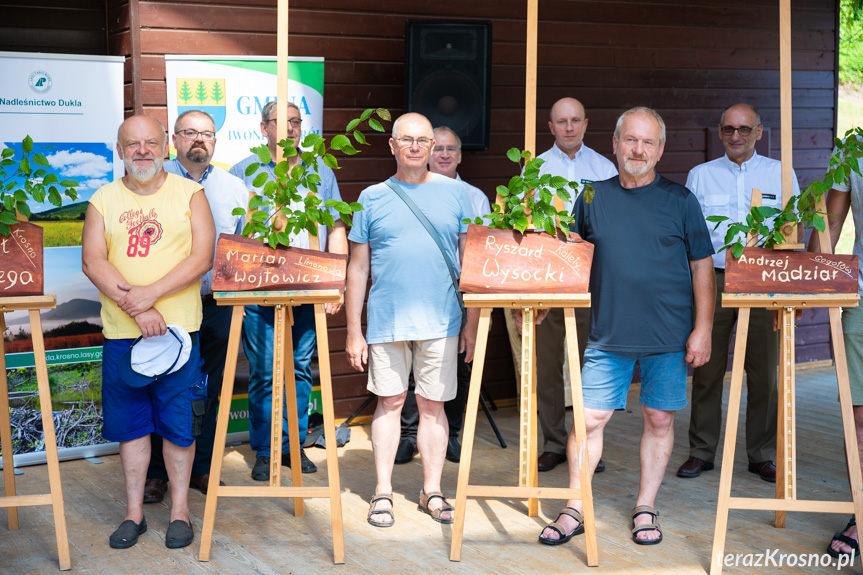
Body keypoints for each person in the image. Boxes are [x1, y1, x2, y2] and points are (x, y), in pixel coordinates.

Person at [537, 107, 715, 547]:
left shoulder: (681, 200)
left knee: (658, 417)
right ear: (615, 145)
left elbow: (702, 268)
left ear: (660, 150)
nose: (637, 149)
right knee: (589, 419)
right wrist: (544, 293)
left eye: (647, 142)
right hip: (609, 333)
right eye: (630, 140)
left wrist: (703, 328)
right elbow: (569, 255)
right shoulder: (593, 196)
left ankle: (645, 506)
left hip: (668, 335)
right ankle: (575, 507)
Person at [82, 115, 215, 549]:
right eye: (132, 144)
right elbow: (93, 262)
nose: (142, 150)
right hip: (123, 335)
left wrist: (149, 296)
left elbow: (202, 257)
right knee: (132, 428)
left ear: (164, 147)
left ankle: (180, 512)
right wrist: (137, 309)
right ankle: (134, 514)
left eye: (150, 143)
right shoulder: (103, 199)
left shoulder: (190, 194)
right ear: (119, 150)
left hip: (179, 336)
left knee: (179, 427)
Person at [345, 112, 477, 528]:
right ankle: (382, 491)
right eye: (408, 140)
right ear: (392, 146)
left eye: (425, 141)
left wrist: (471, 324)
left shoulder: (457, 196)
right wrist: (353, 329)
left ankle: (432, 490)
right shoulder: (371, 197)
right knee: (390, 403)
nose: (417, 147)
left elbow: (470, 263)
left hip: (442, 320)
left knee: (433, 407)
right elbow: (357, 268)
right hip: (387, 321)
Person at [677, 103, 799, 483]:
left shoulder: (780, 174)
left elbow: (791, 232)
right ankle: (701, 451)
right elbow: (687, 235)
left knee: (764, 372)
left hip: (764, 279)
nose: (736, 136)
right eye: (729, 129)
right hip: (711, 279)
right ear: (720, 131)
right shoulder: (701, 175)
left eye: (744, 129)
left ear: (759, 132)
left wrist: (789, 289)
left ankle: (761, 454)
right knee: (706, 368)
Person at [230, 100, 348, 480]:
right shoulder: (243, 172)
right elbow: (234, 236)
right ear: (263, 128)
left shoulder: (319, 171)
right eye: (283, 122)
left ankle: (294, 446)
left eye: (297, 122)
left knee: (298, 368)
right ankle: (266, 450)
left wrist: (337, 283)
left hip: (309, 287)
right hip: (260, 291)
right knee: (265, 371)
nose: (291, 129)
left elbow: (336, 228)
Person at [141, 110, 248, 503]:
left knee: (214, 389)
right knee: (161, 386)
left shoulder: (236, 189)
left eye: (206, 133)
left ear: (216, 142)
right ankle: (155, 474)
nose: (198, 139)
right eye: (189, 133)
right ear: (174, 139)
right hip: (164, 306)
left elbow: (241, 249)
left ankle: (202, 466)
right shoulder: (153, 181)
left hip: (215, 304)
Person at [394, 125, 490, 465]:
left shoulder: (475, 197)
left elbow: (479, 253)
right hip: (414, 293)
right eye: (440, 148)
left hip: (458, 293)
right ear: (429, 152)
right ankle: (408, 436)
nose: (445, 154)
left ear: (460, 155)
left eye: (452, 149)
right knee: (408, 367)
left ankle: (451, 434)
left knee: (459, 365)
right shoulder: (404, 191)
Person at [534, 97, 618, 473]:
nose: (569, 127)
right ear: (550, 126)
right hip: (548, 280)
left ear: (586, 124)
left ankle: (586, 441)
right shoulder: (535, 168)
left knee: (589, 365)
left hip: (590, 280)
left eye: (575, 121)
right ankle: (553, 442)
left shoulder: (603, 168)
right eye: (561, 121)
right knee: (548, 364)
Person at [819, 135, 863, 559]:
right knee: (859, 413)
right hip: (862, 297)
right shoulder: (852, 150)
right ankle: (861, 514)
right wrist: (812, 283)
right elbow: (831, 225)